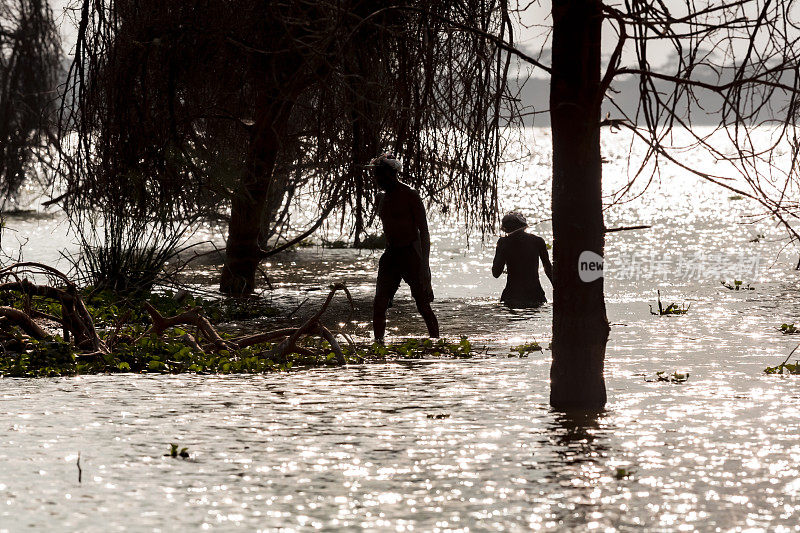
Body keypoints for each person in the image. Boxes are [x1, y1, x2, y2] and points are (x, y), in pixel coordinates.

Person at [369, 153, 439, 343]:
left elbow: (424, 231)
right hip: (391, 255)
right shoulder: (381, 198)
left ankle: (436, 343)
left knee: (423, 306)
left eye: (381, 176)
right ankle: (378, 344)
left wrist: (425, 265)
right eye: (376, 177)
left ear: (392, 175)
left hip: (411, 254)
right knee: (379, 305)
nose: (378, 181)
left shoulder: (410, 195)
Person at [492, 212, 553, 307]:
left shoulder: (503, 243)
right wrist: (558, 290)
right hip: (535, 295)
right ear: (524, 226)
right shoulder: (538, 241)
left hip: (511, 296)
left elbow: (495, 273)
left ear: (505, 229)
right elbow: (548, 268)